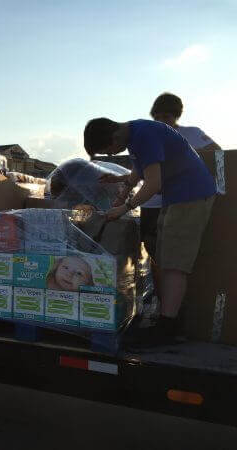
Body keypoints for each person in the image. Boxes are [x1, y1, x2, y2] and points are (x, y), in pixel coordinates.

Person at [83, 118, 216, 346]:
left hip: (190, 196)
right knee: (164, 258)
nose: (112, 155)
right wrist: (121, 188)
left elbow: (153, 183)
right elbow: (138, 170)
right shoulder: (135, 135)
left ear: (114, 137)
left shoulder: (145, 135)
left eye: (109, 151)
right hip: (176, 197)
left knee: (175, 263)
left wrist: (125, 207)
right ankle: (168, 317)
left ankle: (167, 328)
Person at [140, 92, 221, 258]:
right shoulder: (148, 136)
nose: (161, 120)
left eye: (166, 116)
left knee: (175, 251)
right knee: (151, 246)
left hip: (181, 201)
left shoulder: (192, 133)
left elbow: (217, 152)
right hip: (151, 201)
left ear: (176, 116)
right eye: (157, 117)